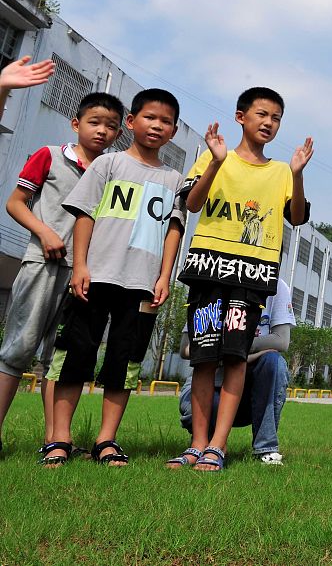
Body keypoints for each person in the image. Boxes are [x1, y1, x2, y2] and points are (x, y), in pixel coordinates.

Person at [168, 87, 312, 471]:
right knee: (203, 359)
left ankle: (217, 446)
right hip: (209, 270)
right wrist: (216, 163)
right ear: (240, 116)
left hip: (252, 276)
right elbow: (192, 203)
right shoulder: (213, 157)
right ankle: (197, 444)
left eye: (276, 118)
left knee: (235, 358)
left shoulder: (281, 172)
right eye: (262, 114)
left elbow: (297, 218)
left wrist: (297, 175)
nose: (269, 123)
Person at [42, 89, 186, 467]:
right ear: (132, 122)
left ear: (173, 131)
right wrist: (80, 266)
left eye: (166, 121)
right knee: (74, 356)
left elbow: (173, 230)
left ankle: (106, 441)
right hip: (96, 276)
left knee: (125, 362)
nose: (157, 126)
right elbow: (84, 215)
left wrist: (164, 276)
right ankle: (59, 439)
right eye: (149, 117)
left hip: (142, 284)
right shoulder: (108, 164)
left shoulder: (175, 180)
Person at [0, 90, 121, 457]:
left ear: (119, 133)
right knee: (17, 349)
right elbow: (15, 203)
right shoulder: (50, 156)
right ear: (76, 123)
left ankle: (56, 442)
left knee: (59, 360)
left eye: (111, 126)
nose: (101, 131)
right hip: (42, 264)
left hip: (83, 277)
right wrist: (45, 232)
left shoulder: (113, 172)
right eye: (94, 122)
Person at [172, 278, 295, 466]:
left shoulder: (276, 285)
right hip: (212, 386)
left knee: (274, 362)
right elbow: (186, 348)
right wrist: (233, 350)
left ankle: (266, 448)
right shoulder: (209, 279)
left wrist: (237, 350)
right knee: (190, 407)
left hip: (249, 395)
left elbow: (281, 341)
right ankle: (208, 444)